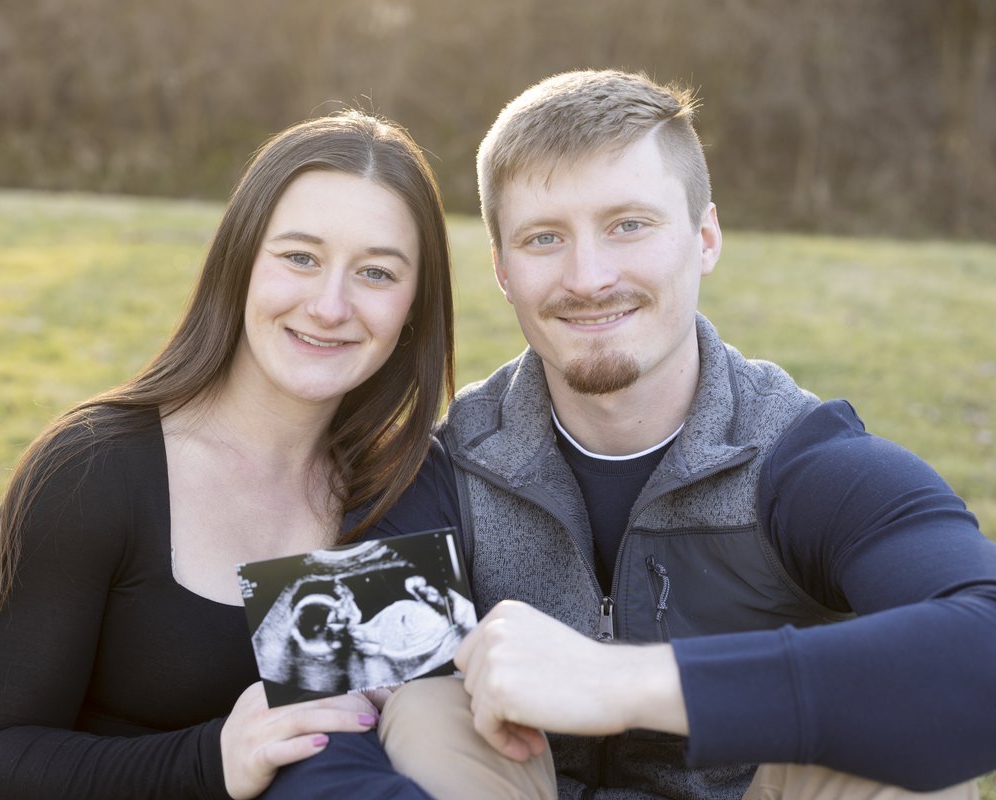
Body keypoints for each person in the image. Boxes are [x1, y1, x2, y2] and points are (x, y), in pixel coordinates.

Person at [274, 70, 996, 798]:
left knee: (896, 749)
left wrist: (627, 681)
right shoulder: (443, 466)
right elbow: (307, 718)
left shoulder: (806, 459)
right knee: (426, 709)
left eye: (629, 225)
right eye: (544, 238)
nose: (588, 278)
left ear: (705, 236)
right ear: (501, 270)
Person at [0, 110, 456, 800]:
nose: (331, 306)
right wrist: (211, 760)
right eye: (300, 257)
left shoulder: (397, 485)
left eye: (377, 273)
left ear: (415, 305)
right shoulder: (94, 469)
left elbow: (377, 740)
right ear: (240, 260)